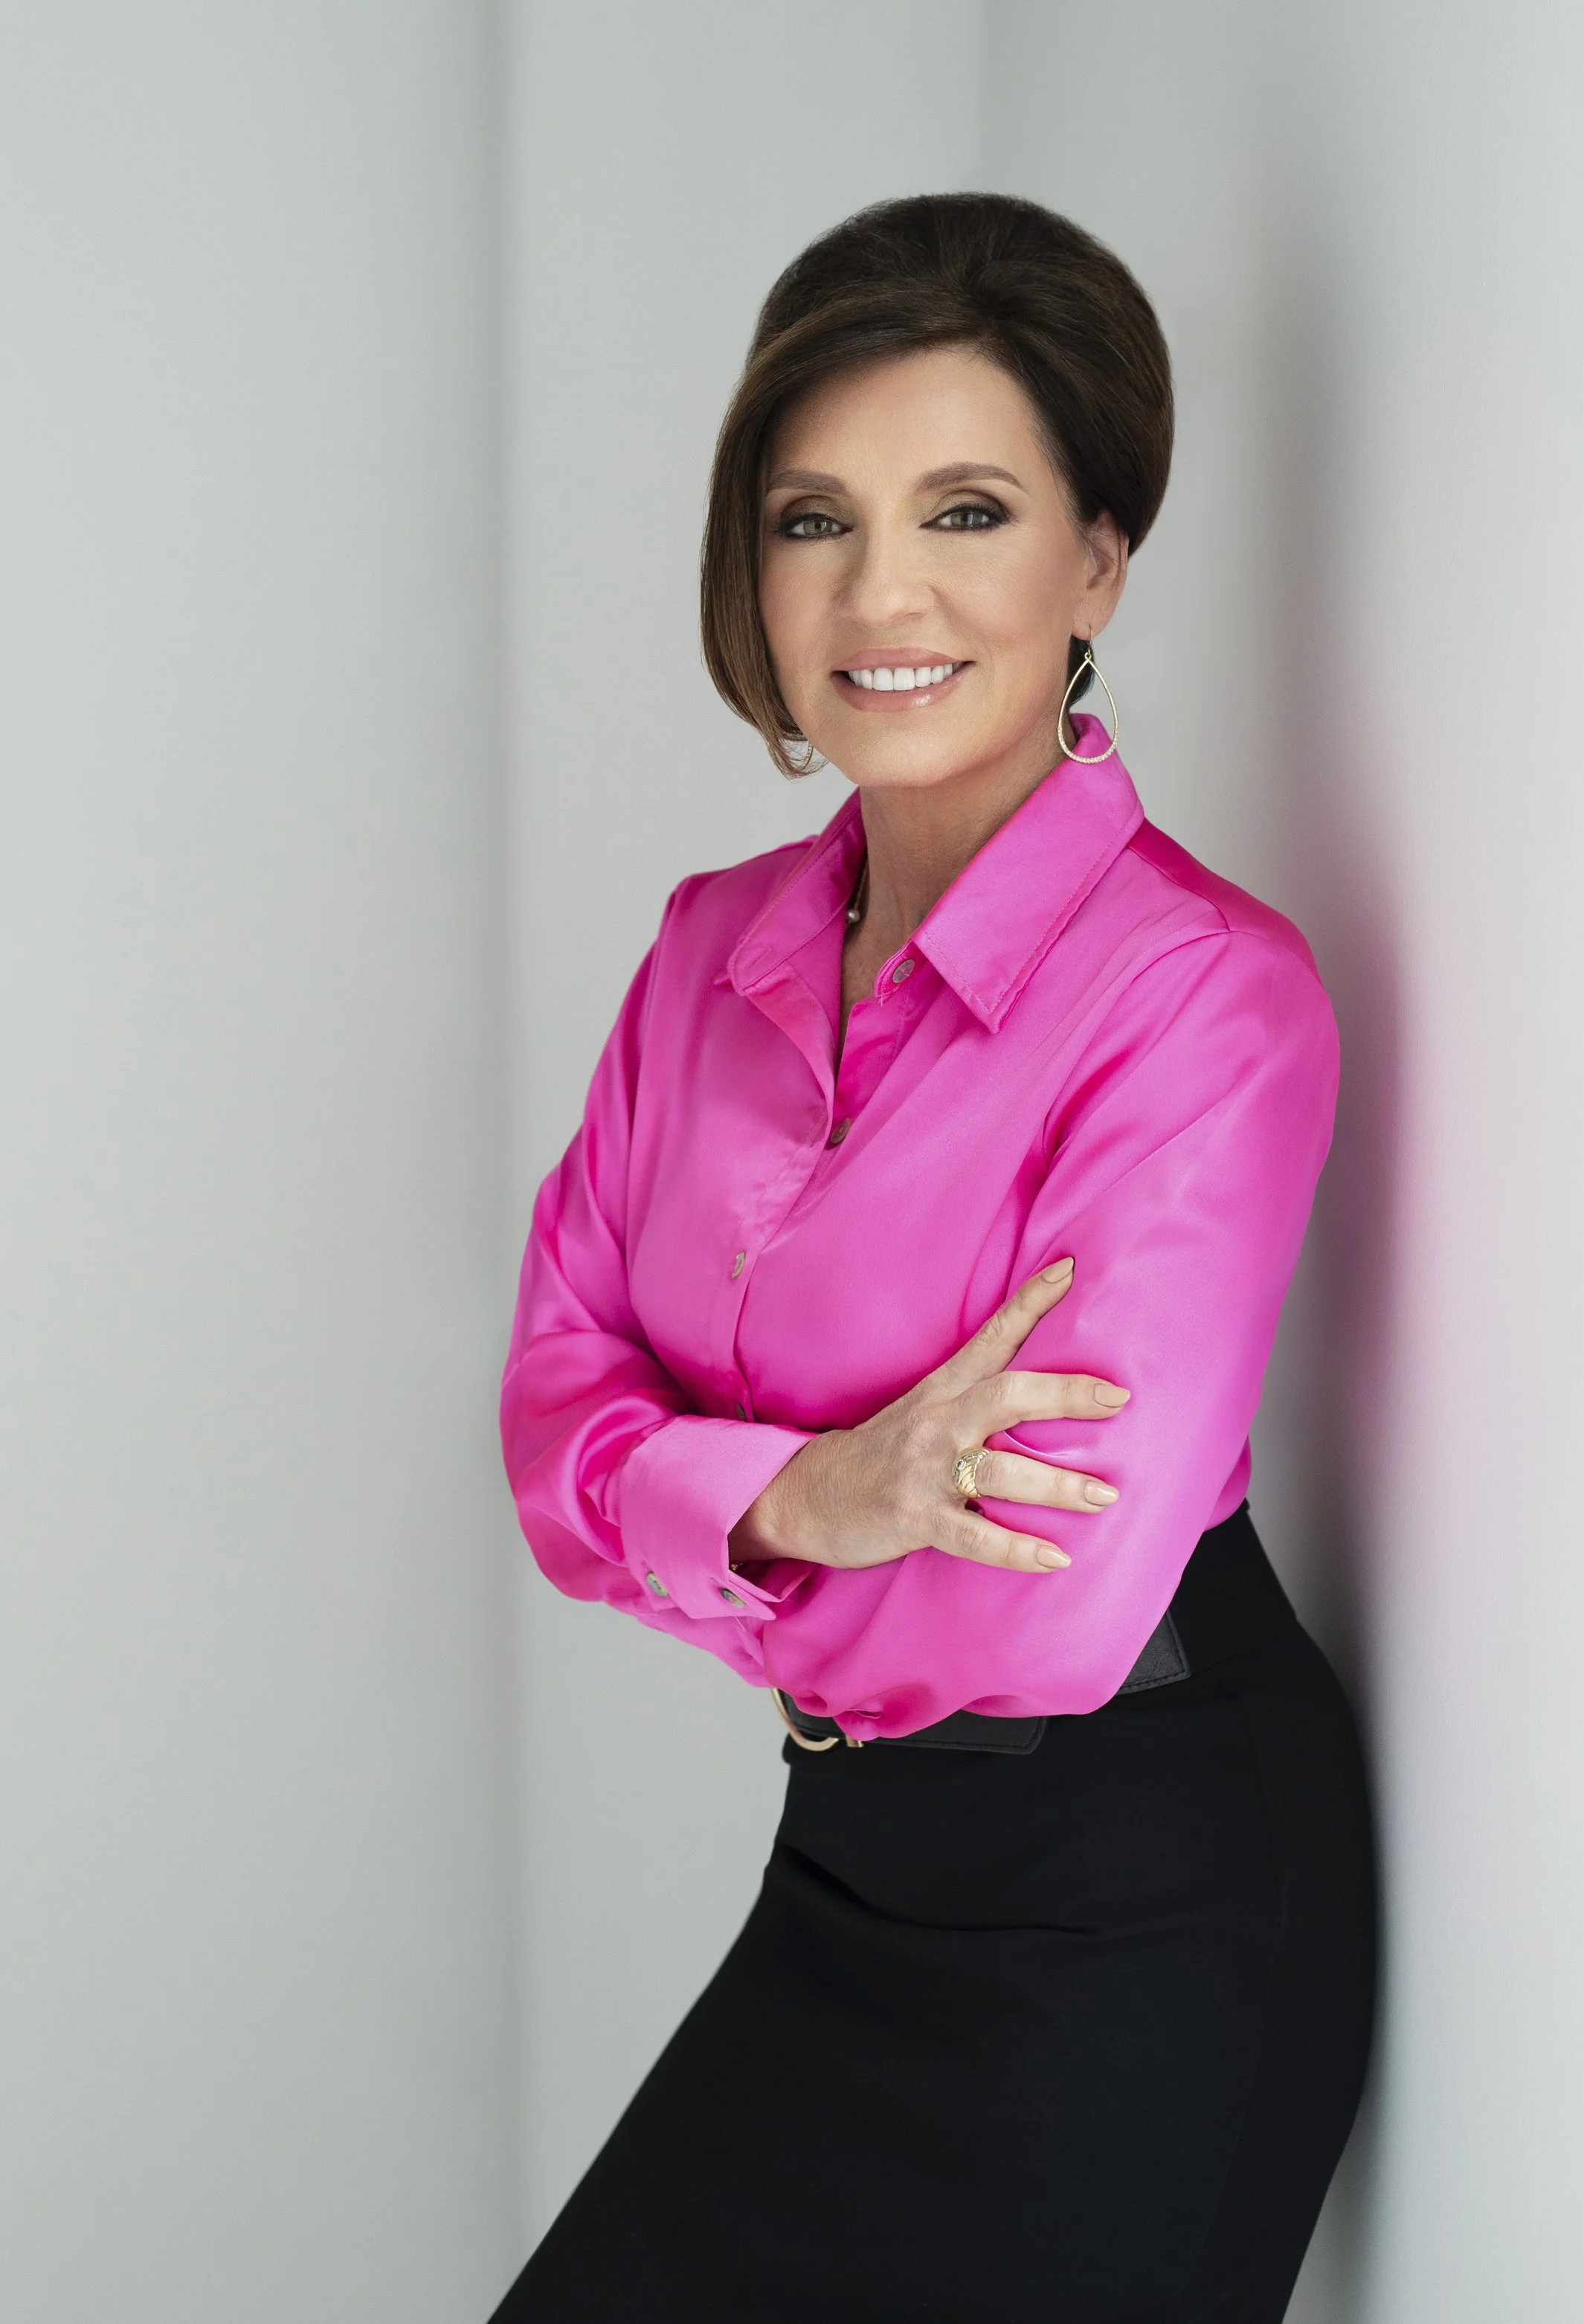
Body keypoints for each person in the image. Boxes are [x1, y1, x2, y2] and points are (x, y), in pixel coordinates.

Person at [492, 193, 1375, 2324]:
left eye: (963, 510)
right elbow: (547, 1411)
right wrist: (813, 1488)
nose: (879, 593)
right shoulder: (708, 953)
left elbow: (1049, 1597)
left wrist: (693, 1497)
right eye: (813, 520)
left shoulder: (1200, 999)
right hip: (847, 1872)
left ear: (1095, 558)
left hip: (1137, 1904)